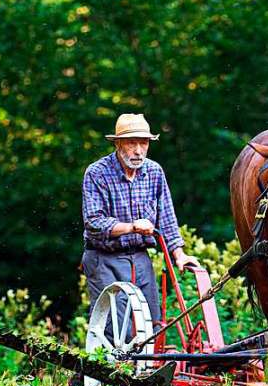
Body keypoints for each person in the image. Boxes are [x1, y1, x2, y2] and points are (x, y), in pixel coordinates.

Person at [81, 113, 198, 333]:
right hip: (105, 258)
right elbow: (94, 222)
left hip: (140, 258)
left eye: (143, 143)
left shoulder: (154, 172)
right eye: (131, 143)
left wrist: (179, 255)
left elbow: (167, 218)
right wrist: (132, 226)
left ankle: (148, 367)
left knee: (151, 325)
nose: (138, 150)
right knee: (116, 328)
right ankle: (112, 367)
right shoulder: (96, 173)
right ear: (117, 144)